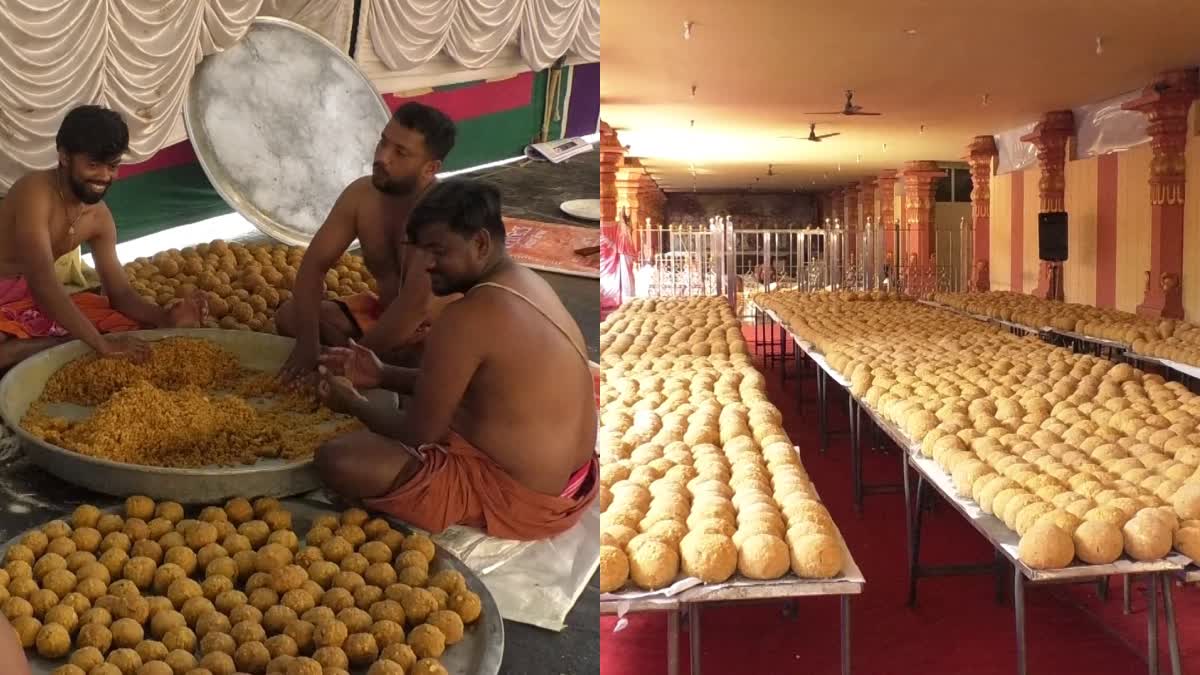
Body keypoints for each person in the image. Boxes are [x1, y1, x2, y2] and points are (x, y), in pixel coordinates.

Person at [313, 179, 597, 540]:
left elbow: (418, 434)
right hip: (577, 478)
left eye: (437, 251)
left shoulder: (466, 316)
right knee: (423, 363)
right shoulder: (527, 281)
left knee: (339, 459)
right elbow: (480, 384)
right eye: (418, 251)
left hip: (525, 502)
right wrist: (383, 374)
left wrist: (352, 403)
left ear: (479, 242)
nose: (426, 265)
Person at [0, 105, 205, 369]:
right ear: (64, 156)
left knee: (128, 327)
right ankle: (40, 347)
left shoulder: (99, 218)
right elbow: (43, 284)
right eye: (93, 164)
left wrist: (163, 317)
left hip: (30, 297)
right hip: (31, 291)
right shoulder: (35, 193)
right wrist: (101, 344)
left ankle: (47, 346)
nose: (104, 176)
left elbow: (119, 293)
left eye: (112, 166)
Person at [276, 102, 460, 380]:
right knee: (291, 316)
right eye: (383, 143)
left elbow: (415, 307)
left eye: (401, 153)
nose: (383, 157)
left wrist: (352, 359)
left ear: (430, 168)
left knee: (435, 363)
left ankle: (372, 368)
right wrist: (307, 345)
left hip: (435, 333)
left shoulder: (442, 213)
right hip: (384, 322)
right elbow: (313, 266)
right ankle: (369, 365)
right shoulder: (361, 195)